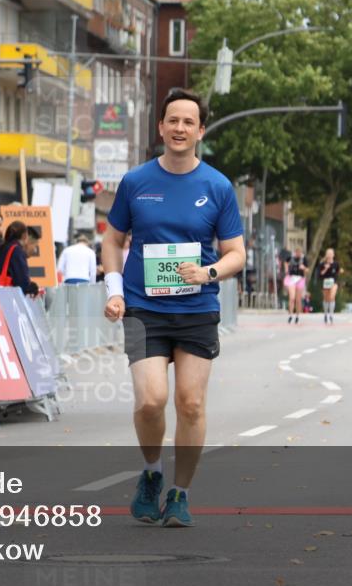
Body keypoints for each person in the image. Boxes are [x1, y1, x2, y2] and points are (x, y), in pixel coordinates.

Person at [102, 88, 245, 527]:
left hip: (197, 308)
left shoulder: (217, 186)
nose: (180, 128)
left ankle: (180, 493)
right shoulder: (136, 182)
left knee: (190, 403)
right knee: (151, 401)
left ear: (201, 131)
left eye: (189, 122)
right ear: (161, 127)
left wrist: (208, 273)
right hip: (143, 307)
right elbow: (112, 240)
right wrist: (114, 290)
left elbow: (236, 253)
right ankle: (151, 473)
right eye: (173, 121)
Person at [0, 221, 40, 296]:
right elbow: (23, 283)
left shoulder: (1, 248)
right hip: (8, 297)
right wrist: (32, 287)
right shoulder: (17, 251)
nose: (35, 250)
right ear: (24, 236)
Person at [283, 246, 308, 324]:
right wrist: (286, 269)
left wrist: (304, 268)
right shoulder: (291, 257)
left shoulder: (304, 259)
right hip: (292, 278)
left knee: (298, 299)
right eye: (297, 252)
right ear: (295, 252)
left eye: (299, 253)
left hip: (300, 279)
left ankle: (297, 315)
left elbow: (307, 269)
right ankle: (290, 315)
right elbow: (285, 262)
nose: (298, 254)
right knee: (292, 298)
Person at [318, 247, 341, 324]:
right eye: (328, 254)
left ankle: (331, 314)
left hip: (333, 282)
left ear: (333, 255)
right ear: (326, 255)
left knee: (332, 297)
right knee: (326, 299)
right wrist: (325, 269)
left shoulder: (336, 264)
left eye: (331, 254)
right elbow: (320, 275)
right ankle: (325, 314)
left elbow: (337, 272)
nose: (330, 255)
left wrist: (340, 272)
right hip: (325, 282)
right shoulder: (322, 264)